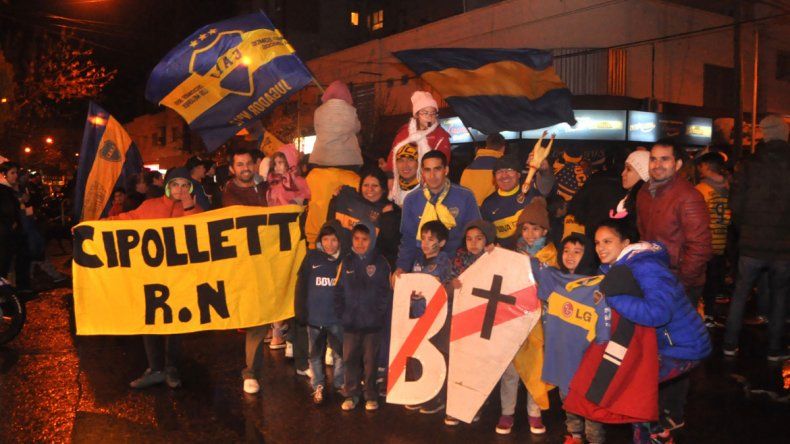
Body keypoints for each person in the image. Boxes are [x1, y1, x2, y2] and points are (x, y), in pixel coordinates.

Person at [595, 220, 711, 443]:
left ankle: (650, 437)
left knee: (635, 389)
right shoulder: (620, 268)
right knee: (637, 388)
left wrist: (615, 298)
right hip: (668, 343)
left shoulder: (646, 266)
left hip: (684, 346)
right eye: (597, 242)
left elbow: (658, 313)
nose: (600, 247)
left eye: (608, 241)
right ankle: (658, 433)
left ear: (626, 242)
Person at [108, 167, 202, 389]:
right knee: (150, 320)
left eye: (185, 185)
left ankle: (171, 368)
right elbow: (124, 219)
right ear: (167, 186)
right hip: (151, 276)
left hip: (180, 277)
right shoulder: (150, 206)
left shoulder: (194, 208)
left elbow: (200, 231)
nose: (180, 189)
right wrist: (90, 227)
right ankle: (155, 368)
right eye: (175, 184)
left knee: (175, 324)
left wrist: (189, 206)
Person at [723, 115, 790, 361]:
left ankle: (729, 344)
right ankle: (774, 348)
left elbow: (736, 204)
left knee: (740, 292)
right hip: (784, 246)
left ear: (765, 135)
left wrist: (745, 230)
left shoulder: (749, 164)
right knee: (780, 295)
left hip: (751, 244)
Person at [531, 233, 605, 443]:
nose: (570, 256)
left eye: (577, 252)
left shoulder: (596, 285)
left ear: (588, 255)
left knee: (588, 401)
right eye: (566, 251)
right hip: (561, 354)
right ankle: (574, 435)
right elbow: (530, 263)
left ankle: (594, 439)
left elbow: (604, 325)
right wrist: (495, 250)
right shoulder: (554, 278)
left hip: (586, 355)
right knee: (567, 398)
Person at [219, 148, 273, 394]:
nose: (245, 168)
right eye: (240, 164)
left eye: (249, 163)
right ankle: (251, 372)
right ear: (233, 169)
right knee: (256, 318)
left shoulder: (264, 187)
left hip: (273, 260)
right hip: (248, 265)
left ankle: (304, 361)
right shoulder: (230, 194)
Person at [636, 139, 712, 305]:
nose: (657, 164)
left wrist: (681, 283)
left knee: (680, 329)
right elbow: (643, 234)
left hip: (680, 281)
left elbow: (700, 246)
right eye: (653, 159)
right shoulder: (644, 191)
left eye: (665, 159)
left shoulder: (688, 196)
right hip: (654, 276)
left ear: (677, 164)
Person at [394, 151, 480, 278]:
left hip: (458, 268)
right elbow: (408, 239)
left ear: (446, 170)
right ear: (422, 172)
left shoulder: (465, 196)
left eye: (437, 169)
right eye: (427, 170)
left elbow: (476, 233)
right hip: (423, 268)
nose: (432, 175)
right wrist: (401, 268)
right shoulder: (412, 200)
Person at [335, 222, 391, 411]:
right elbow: (338, 290)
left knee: (371, 362)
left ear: (372, 240)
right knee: (350, 360)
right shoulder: (346, 261)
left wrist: (378, 313)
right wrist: (342, 315)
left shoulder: (381, 262)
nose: (360, 243)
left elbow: (385, 292)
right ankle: (351, 394)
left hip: (372, 324)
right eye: (356, 239)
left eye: (364, 239)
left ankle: (370, 395)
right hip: (350, 323)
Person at [305, 80, 362, 248]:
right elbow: (357, 128)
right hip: (348, 163)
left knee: (319, 205)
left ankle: (316, 241)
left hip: (320, 161)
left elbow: (317, 129)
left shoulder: (318, 112)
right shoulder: (351, 112)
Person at [295, 221, 346, 405]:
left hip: (336, 320)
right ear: (320, 240)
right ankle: (318, 385)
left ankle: (340, 383)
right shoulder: (311, 258)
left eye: (334, 240)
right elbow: (301, 285)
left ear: (340, 241)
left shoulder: (345, 260)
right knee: (315, 354)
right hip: (315, 319)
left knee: (340, 354)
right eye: (325, 239)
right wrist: (300, 310)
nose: (329, 244)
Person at [694, 152, 731, 327]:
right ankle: (709, 313)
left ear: (707, 167)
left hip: (705, 243)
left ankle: (703, 314)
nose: (699, 169)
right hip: (723, 242)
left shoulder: (700, 190)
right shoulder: (730, 187)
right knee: (715, 281)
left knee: (702, 282)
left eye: (701, 166)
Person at [480, 155, 542, 249]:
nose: (504, 175)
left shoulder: (532, 194)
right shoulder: (488, 204)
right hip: (506, 257)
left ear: (518, 174)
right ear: (494, 177)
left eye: (509, 170)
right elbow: (487, 236)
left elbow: (547, 184)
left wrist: (544, 170)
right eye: (499, 171)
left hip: (533, 252)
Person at [385, 90, 451, 174]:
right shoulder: (404, 133)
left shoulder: (441, 136)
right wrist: (390, 176)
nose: (430, 117)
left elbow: (441, 166)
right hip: (401, 182)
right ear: (416, 115)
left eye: (433, 113)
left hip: (428, 181)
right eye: (425, 113)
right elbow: (392, 159)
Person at [608, 150, 649, 235]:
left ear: (643, 173)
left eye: (629, 169)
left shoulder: (643, 202)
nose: (623, 173)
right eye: (624, 168)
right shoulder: (627, 197)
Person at [460, 133, 507, 206]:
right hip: (490, 212)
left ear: (486, 147)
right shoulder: (502, 170)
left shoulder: (467, 169)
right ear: (503, 148)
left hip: (470, 211)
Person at [0, 161, 24, 289]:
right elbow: (7, 210)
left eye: (16, 173)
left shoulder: (8, 190)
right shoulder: (4, 191)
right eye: (12, 173)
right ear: (4, 175)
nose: (16, 176)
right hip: (4, 235)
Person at [514, 197, 557, 266]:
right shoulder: (519, 245)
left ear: (544, 231)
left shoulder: (549, 253)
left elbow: (549, 274)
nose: (530, 234)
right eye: (525, 229)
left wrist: (532, 261)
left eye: (535, 229)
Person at [388, 141, 422, 207]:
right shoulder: (393, 188)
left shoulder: (426, 190)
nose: (405, 165)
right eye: (401, 160)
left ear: (418, 163)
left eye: (410, 160)